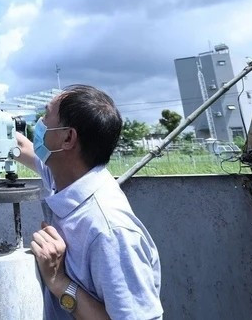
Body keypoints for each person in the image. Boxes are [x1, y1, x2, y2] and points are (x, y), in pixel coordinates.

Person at [18, 85, 162, 319]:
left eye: (45, 117)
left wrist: (59, 282)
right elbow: (22, 147)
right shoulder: (66, 177)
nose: (39, 124)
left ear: (67, 137)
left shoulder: (109, 231)